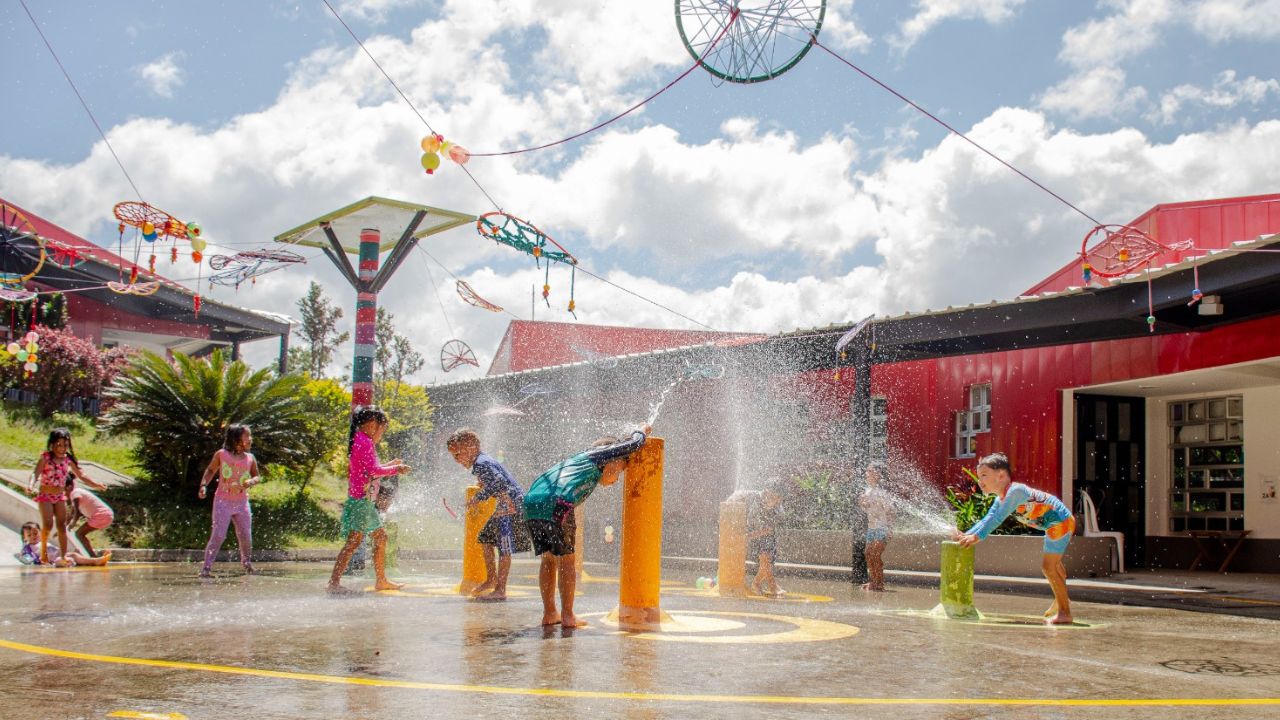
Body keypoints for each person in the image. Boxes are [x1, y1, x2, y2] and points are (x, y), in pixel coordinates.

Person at [524, 426, 650, 628]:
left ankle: (550, 613)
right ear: (613, 458)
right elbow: (634, 443)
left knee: (548, 559)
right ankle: (568, 616)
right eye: (620, 470)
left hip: (531, 502)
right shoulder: (599, 455)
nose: (617, 479)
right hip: (558, 502)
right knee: (566, 562)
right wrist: (641, 432)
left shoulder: (578, 463)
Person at [955, 452, 1077, 625]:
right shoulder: (1001, 498)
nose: (980, 482)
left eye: (984, 475)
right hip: (1053, 525)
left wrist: (977, 537)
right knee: (1055, 567)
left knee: (1049, 568)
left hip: (1061, 522)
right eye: (978, 476)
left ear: (1001, 475)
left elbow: (998, 519)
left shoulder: (1016, 491)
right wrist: (967, 534)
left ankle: (1065, 613)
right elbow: (988, 518)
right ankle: (1061, 600)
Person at [328, 406, 410, 594]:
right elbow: (373, 471)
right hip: (362, 501)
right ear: (373, 424)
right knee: (362, 541)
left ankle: (377, 580)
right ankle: (337, 583)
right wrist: (396, 469)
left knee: (367, 540)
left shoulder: (360, 440)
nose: (382, 433)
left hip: (360, 500)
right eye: (383, 429)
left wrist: (389, 465)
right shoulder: (364, 442)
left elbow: (371, 469)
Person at [447, 428, 529, 601]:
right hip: (504, 505)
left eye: (458, 454)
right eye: (454, 457)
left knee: (504, 547)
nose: (457, 460)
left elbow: (499, 482)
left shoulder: (481, 463)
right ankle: (491, 580)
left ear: (472, 447)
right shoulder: (483, 461)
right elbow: (496, 479)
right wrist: (483, 484)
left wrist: (480, 496)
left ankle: (501, 589)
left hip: (511, 505)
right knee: (485, 539)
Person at [28, 428, 108, 564]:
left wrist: (96, 485)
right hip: (45, 495)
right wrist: (31, 485)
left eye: (65, 445)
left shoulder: (68, 459)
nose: (62, 448)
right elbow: (35, 473)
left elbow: (82, 475)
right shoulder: (45, 458)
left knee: (61, 526)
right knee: (47, 524)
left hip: (59, 496)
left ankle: (64, 556)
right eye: (59, 444)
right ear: (52, 444)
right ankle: (43, 554)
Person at [198, 424, 262, 578]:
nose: (250, 439)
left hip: (241, 503)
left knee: (246, 535)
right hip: (223, 501)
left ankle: (246, 563)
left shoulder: (250, 458)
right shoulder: (221, 454)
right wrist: (203, 485)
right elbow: (211, 470)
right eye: (247, 436)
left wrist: (251, 482)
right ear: (236, 438)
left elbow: (257, 476)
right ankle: (206, 568)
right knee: (219, 535)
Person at [743, 481, 785, 597]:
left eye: (775, 498)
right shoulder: (755, 501)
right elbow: (749, 525)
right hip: (754, 534)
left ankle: (756, 583)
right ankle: (772, 585)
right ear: (765, 492)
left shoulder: (778, 509)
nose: (770, 499)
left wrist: (766, 531)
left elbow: (771, 528)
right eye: (769, 495)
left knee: (766, 563)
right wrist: (747, 536)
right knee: (765, 559)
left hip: (768, 536)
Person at [860, 463, 894, 592]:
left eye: (870, 471)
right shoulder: (867, 491)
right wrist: (862, 504)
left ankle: (879, 584)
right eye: (867, 471)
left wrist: (890, 529)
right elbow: (867, 509)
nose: (867, 473)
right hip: (871, 528)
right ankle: (873, 581)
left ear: (878, 475)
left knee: (875, 554)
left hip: (882, 528)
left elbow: (890, 512)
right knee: (868, 554)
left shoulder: (882, 493)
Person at [16, 521, 109, 567]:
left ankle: (95, 561)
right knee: (61, 560)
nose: (33, 536)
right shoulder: (28, 548)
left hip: (61, 554)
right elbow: (26, 558)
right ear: (25, 537)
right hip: (53, 560)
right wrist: (21, 556)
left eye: (35, 533)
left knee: (73, 554)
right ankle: (70, 562)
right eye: (29, 535)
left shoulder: (42, 542)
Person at [65, 476, 114, 558]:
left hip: (101, 515)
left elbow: (77, 513)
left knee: (79, 534)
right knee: (80, 534)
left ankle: (92, 557)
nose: (63, 493)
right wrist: (63, 527)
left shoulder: (75, 493)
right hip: (106, 515)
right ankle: (89, 555)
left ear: (69, 487)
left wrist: (72, 524)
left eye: (63, 490)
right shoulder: (76, 493)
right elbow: (72, 514)